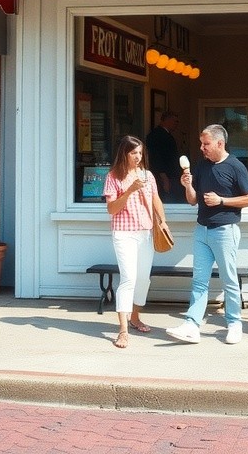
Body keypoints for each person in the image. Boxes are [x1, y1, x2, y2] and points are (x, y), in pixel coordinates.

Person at [166, 123, 248, 345]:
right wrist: (188, 185)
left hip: (225, 230)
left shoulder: (235, 166)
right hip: (202, 230)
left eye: (205, 144)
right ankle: (192, 325)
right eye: (201, 143)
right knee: (199, 281)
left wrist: (222, 200)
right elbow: (192, 200)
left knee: (229, 280)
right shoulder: (202, 166)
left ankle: (234, 323)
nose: (202, 148)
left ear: (219, 143)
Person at [103, 135, 167, 349]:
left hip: (145, 232)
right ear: (124, 154)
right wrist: (130, 190)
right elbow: (111, 209)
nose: (138, 157)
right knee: (128, 279)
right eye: (133, 153)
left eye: (140, 153)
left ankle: (135, 317)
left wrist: (163, 221)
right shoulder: (113, 176)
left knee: (142, 279)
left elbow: (156, 199)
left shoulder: (147, 175)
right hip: (124, 232)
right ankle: (123, 330)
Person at [145, 111, 184, 202]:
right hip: (164, 177)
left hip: (171, 176)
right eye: (175, 121)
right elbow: (155, 157)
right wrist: (163, 177)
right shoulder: (156, 135)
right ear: (167, 120)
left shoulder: (166, 135)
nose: (176, 124)